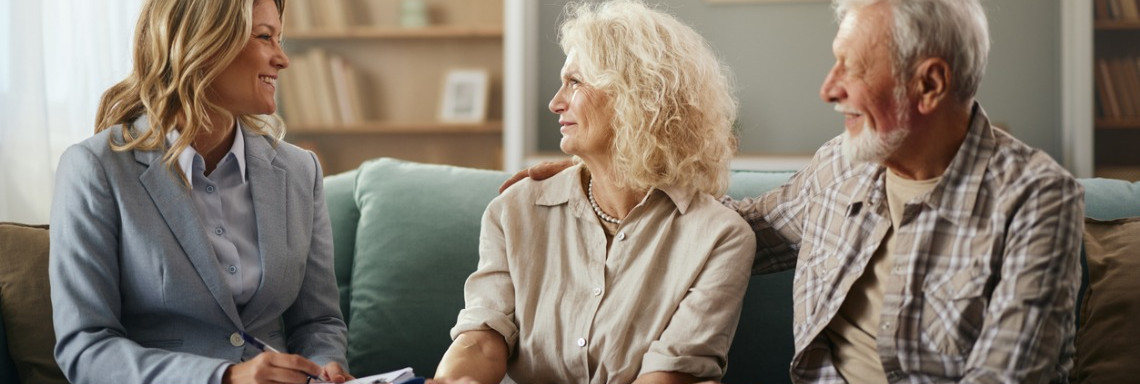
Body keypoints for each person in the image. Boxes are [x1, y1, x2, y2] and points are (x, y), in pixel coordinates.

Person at [506, 0, 1084, 382]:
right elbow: (721, 230)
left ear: (929, 84)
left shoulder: (1035, 200)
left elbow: (1008, 374)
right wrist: (605, 179)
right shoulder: (839, 168)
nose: (828, 89)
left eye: (850, 70)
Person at [431, 1, 755, 383]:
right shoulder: (514, 210)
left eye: (575, 82)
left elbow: (670, 376)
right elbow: (483, 339)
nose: (555, 103)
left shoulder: (719, 237)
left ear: (637, 97)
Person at [48, 0, 352, 383]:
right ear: (205, 44)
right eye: (264, 37)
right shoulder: (94, 170)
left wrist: (323, 366)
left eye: (280, 39)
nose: (282, 59)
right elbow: (86, 346)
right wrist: (226, 377)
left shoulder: (299, 171)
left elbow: (318, 320)